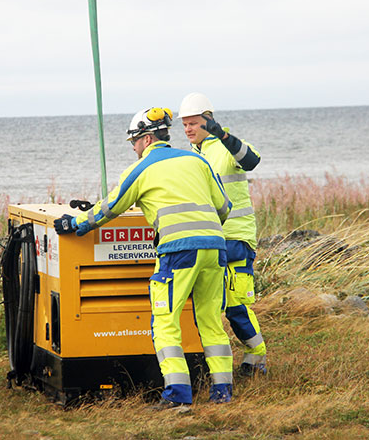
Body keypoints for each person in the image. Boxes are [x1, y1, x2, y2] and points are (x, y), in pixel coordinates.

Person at [53, 107, 234, 409]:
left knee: (165, 321)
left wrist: (75, 224)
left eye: (134, 142)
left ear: (147, 139)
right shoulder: (197, 159)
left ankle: (177, 396)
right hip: (216, 247)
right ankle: (223, 393)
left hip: (178, 252)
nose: (134, 149)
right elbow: (224, 206)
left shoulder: (143, 168)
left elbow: (109, 208)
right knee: (211, 320)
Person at [177, 92, 267, 376]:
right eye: (184, 125)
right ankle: (215, 366)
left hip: (236, 239)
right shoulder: (193, 156)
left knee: (236, 305)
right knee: (209, 305)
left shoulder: (226, 148)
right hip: (210, 239)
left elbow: (251, 160)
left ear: (209, 120)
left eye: (194, 123)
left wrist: (224, 136)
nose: (189, 129)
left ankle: (256, 358)